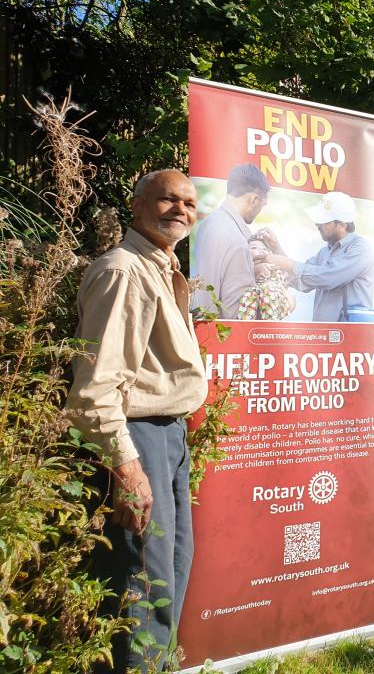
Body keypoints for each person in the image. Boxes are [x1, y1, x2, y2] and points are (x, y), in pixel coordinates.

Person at [66, 170, 208, 672]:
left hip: (167, 437)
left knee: (169, 574)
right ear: (137, 206)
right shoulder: (124, 271)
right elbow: (95, 389)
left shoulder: (163, 269)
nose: (179, 210)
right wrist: (126, 466)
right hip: (136, 439)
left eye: (189, 203)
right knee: (143, 586)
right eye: (167, 199)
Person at [257, 190, 374, 320]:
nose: (318, 224)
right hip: (324, 334)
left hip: (349, 335)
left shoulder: (361, 248)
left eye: (325, 221)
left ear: (342, 224)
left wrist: (286, 263)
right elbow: (302, 277)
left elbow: (327, 277)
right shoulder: (326, 251)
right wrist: (276, 248)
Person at [190, 162, 270, 319]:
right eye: (263, 203)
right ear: (254, 199)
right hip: (221, 337)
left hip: (200, 327)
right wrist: (285, 302)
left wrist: (251, 270)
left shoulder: (208, 224)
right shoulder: (238, 242)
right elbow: (239, 316)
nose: (261, 209)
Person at [235, 238, 297, 320]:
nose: (260, 250)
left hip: (276, 299)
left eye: (264, 248)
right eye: (254, 247)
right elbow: (242, 278)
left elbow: (289, 275)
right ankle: (246, 326)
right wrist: (256, 270)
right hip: (256, 299)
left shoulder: (274, 265)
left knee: (268, 289)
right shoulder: (245, 268)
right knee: (249, 294)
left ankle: (270, 324)